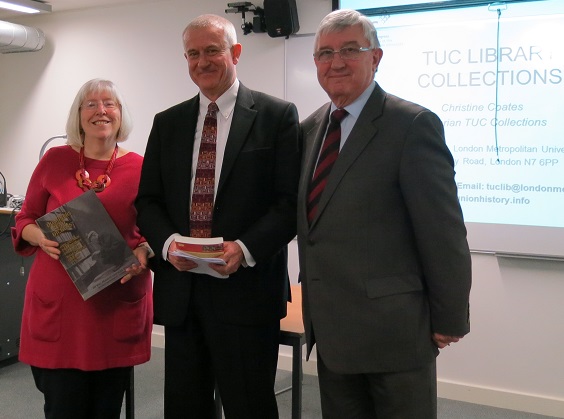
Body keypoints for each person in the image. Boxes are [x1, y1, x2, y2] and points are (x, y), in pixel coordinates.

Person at [296, 9, 472, 419]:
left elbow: (442, 231)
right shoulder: (311, 128)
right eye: (324, 53)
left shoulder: (412, 125)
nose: (335, 62)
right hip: (333, 329)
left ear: (375, 58)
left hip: (394, 333)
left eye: (349, 50)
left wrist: (449, 317)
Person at [135, 14, 300, 419]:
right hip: (182, 290)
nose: (201, 62)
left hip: (246, 290)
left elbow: (288, 204)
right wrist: (169, 244)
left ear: (236, 53)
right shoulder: (168, 122)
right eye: (192, 54)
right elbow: (148, 202)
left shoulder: (277, 116)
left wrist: (243, 249)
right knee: (184, 406)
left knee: (250, 405)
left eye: (212, 51)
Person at [12, 79, 154, 419]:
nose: (101, 111)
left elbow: (154, 231)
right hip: (59, 309)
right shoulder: (54, 161)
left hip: (113, 306)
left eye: (110, 104)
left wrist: (145, 252)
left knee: (105, 409)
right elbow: (25, 217)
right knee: (62, 407)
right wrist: (37, 236)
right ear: (78, 116)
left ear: (121, 115)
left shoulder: (142, 167)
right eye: (90, 104)